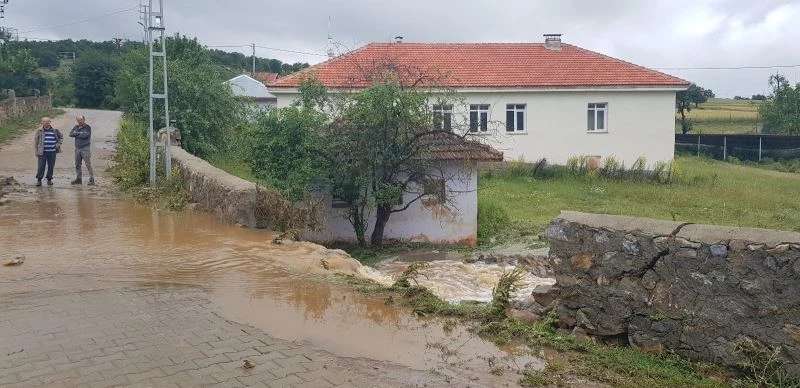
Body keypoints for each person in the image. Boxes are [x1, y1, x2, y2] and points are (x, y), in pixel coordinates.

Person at [34, 117, 63, 187]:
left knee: (51, 166)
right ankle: (39, 180)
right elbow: (36, 142)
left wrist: (58, 144)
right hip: (42, 152)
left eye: (47, 122)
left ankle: (49, 179)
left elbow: (61, 137)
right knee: (41, 166)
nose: (46, 123)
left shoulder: (55, 130)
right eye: (44, 122)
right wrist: (36, 151)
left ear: (50, 122)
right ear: (42, 122)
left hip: (52, 152)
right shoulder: (39, 131)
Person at [69, 114, 95, 185]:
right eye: (78, 120)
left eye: (81, 120)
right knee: (77, 164)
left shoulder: (87, 127)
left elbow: (85, 135)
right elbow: (70, 134)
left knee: (88, 164)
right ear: (76, 120)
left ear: (84, 119)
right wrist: (80, 133)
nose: (79, 121)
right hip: (77, 148)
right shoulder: (76, 126)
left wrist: (76, 133)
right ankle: (79, 179)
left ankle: (92, 179)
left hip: (85, 148)